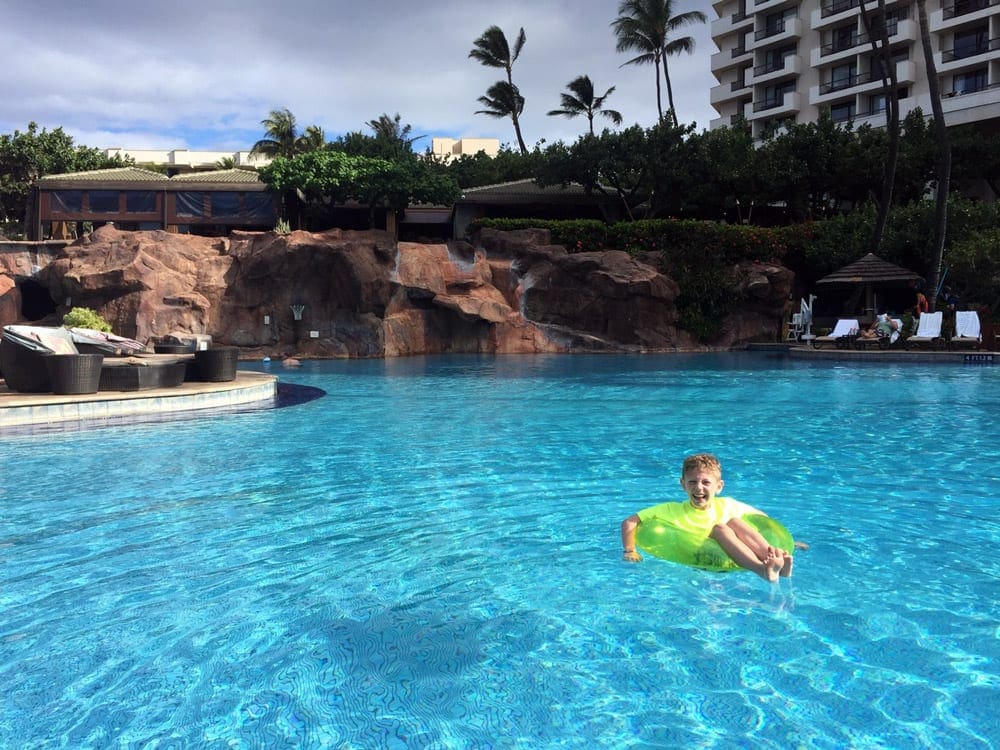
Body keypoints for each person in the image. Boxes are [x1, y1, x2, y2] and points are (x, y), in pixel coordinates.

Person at [620, 453, 801, 582]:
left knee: (735, 522)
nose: (699, 488)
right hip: (704, 561)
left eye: (706, 482)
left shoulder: (728, 504)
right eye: (692, 482)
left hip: (735, 559)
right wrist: (630, 550)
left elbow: (764, 522)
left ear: (719, 486)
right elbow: (630, 521)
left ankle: (777, 562)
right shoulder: (670, 509)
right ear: (683, 485)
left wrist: (786, 543)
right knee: (721, 528)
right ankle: (761, 569)